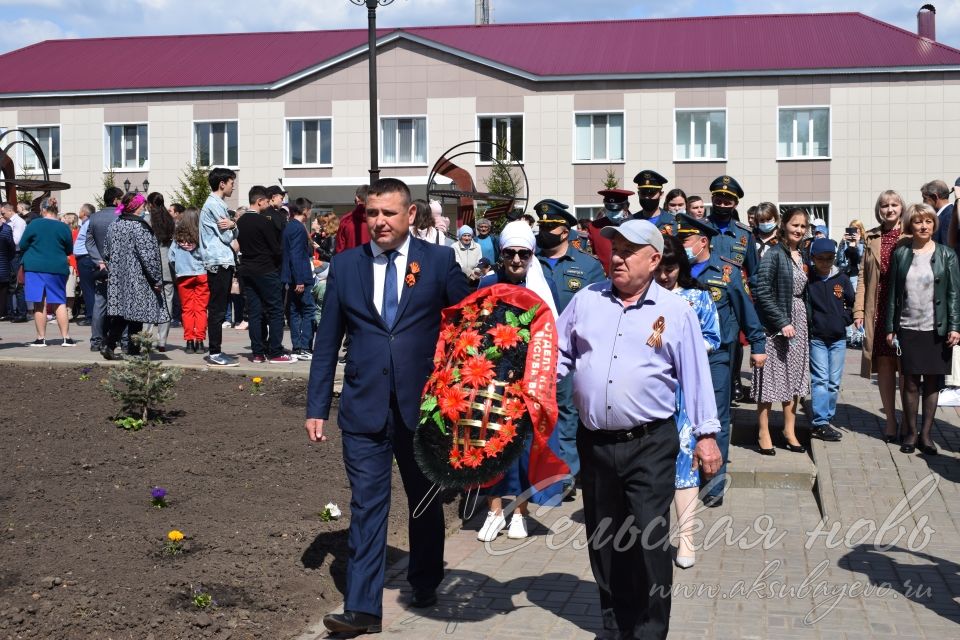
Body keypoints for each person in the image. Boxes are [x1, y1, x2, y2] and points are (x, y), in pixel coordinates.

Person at [306, 178, 470, 635]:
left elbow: (469, 323)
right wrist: (317, 404)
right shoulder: (345, 265)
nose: (379, 221)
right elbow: (326, 342)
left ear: (410, 215)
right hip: (363, 409)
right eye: (372, 213)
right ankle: (362, 608)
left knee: (424, 501)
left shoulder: (438, 261)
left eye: (389, 213)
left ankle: (424, 579)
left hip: (423, 410)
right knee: (367, 506)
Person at [557, 218, 721, 640]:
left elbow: (696, 376)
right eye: (614, 248)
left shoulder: (675, 309)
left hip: (649, 443)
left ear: (653, 260)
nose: (617, 257)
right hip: (595, 444)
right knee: (605, 541)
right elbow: (559, 353)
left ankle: (649, 631)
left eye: (629, 251)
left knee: (649, 541)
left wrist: (705, 435)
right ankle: (615, 626)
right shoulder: (587, 300)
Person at [475, 220, 560, 541]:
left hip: (528, 383)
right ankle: (495, 511)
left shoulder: (541, 288)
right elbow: (472, 329)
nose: (515, 260)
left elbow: (553, 336)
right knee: (490, 448)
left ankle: (520, 513)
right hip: (491, 382)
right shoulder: (486, 287)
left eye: (523, 254)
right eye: (509, 253)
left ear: (531, 256)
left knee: (524, 449)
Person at [677, 213, 766, 505]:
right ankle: (682, 476)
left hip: (717, 357)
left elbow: (745, 310)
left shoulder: (727, 271)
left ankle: (712, 486)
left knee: (715, 418)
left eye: (685, 240)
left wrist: (757, 344)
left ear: (703, 242)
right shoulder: (674, 272)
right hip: (679, 357)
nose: (681, 245)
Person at [654, 235, 721, 569]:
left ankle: (687, 539)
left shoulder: (698, 297)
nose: (665, 276)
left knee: (686, 462)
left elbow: (713, 337)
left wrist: (686, 351)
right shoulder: (641, 299)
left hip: (685, 393)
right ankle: (652, 537)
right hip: (650, 392)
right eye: (660, 268)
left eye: (671, 268)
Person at [531, 198, 605, 497]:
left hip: (569, 352)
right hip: (532, 349)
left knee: (566, 412)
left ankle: (566, 474)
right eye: (542, 226)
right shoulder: (529, 259)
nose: (545, 231)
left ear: (566, 232)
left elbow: (599, 309)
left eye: (552, 227)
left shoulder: (587, 265)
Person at [885, 203, 960, 455]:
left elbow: (953, 294)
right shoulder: (901, 254)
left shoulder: (947, 254)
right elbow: (893, 294)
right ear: (911, 225)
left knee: (932, 383)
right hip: (908, 327)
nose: (924, 226)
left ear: (934, 224)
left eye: (928, 221)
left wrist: (955, 326)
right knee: (909, 383)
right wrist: (890, 328)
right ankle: (910, 433)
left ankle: (926, 436)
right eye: (918, 222)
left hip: (936, 329)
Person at [753, 207, 811, 454]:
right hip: (777, 325)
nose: (799, 229)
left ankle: (790, 430)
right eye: (794, 224)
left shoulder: (803, 255)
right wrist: (781, 321)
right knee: (769, 378)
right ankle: (763, 432)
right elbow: (761, 290)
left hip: (799, 320)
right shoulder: (774, 254)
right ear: (784, 225)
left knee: (794, 378)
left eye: (803, 226)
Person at [854, 190, 910, 441]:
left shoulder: (911, 235)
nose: (889, 209)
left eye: (894, 205)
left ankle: (910, 422)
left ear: (902, 208)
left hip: (906, 310)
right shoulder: (872, 237)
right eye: (885, 205)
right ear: (879, 209)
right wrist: (858, 310)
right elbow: (863, 278)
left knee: (907, 368)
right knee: (886, 366)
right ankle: (890, 420)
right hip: (878, 309)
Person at [100, 192, 169, 359]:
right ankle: (133, 351)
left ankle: (109, 345)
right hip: (137, 278)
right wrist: (156, 279)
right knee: (136, 315)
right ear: (137, 207)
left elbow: (106, 252)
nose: (144, 207)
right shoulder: (140, 227)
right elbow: (148, 257)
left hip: (118, 278)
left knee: (123, 314)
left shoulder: (115, 225)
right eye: (142, 205)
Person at [236, 185, 294, 364]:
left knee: (254, 312)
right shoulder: (264, 222)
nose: (268, 204)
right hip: (266, 269)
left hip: (247, 269)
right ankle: (275, 351)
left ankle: (257, 353)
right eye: (267, 201)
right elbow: (275, 248)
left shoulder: (241, 221)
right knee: (275, 310)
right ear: (260, 201)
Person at [807, 238, 853, 442]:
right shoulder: (809, 280)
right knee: (820, 380)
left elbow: (852, 303)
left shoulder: (841, 279)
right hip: (817, 338)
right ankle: (820, 422)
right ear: (813, 259)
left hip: (838, 339)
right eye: (821, 258)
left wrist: (845, 319)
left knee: (833, 383)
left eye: (829, 258)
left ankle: (827, 415)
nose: (825, 262)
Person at [199, 168, 240, 367]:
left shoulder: (218, 204)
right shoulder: (214, 205)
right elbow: (227, 236)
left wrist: (233, 225)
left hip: (222, 261)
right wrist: (233, 226)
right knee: (217, 309)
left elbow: (232, 231)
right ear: (222, 183)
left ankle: (217, 349)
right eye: (232, 182)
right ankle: (214, 352)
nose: (234, 186)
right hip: (218, 261)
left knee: (220, 307)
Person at [18, 201, 75, 347]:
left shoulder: (35, 224)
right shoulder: (64, 227)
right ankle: (66, 338)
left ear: (43, 210)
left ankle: (41, 338)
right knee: (59, 301)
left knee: (39, 302)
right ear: (56, 210)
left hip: (35, 266)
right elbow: (69, 249)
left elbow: (23, 244)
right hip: (57, 266)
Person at [85, 186, 124, 350]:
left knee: (100, 305)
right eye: (121, 198)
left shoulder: (94, 218)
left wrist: (99, 261)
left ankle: (96, 341)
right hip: (121, 267)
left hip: (102, 268)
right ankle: (123, 341)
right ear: (116, 200)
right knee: (122, 306)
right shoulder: (122, 217)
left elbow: (89, 242)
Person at [168, 208, 208, 354]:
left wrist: (179, 268)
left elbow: (171, 257)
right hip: (201, 274)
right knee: (200, 309)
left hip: (183, 275)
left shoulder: (177, 238)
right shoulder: (201, 235)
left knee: (187, 309)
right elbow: (206, 255)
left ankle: (189, 342)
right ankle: (200, 341)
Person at [706, 175, 758, 279]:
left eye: (727, 203)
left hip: (735, 292)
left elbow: (754, 272)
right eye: (718, 201)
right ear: (712, 200)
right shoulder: (700, 228)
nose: (722, 206)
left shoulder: (745, 233)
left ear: (735, 204)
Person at [283, 203, 316, 360]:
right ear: (304, 210)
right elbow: (296, 255)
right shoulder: (298, 228)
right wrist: (300, 280)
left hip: (294, 277)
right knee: (308, 310)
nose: (310, 212)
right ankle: (304, 347)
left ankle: (297, 347)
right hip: (301, 276)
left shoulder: (290, 226)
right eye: (309, 210)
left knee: (295, 311)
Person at [145, 192, 176, 352]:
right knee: (167, 304)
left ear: (150, 204)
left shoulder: (147, 220)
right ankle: (162, 341)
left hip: (151, 268)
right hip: (168, 267)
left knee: (150, 304)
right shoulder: (170, 220)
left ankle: (147, 339)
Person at [587, 188, 634, 275]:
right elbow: (590, 255)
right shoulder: (594, 227)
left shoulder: (637, 225)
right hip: (603, 279)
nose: (612, 213)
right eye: (609, 209)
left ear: (626, 206)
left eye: (616, 210)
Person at [836, 218, 866, 347]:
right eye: (852, 229)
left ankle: (860, 333)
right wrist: (843, 243)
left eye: (857, 229)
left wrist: (858, 242)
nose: (854, 232)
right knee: (845, 303)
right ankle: (848, 333)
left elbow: (862, 260)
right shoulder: (845, 243)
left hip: (857, 276)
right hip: (846, 275)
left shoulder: (864, 243)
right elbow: (840, 261)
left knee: (857, 303)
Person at [73, 203, 97, 326]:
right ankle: (91, 315)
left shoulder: (88, 224)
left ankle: (91, 316)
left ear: (85, 213)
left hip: (86, 258)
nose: (79, 212)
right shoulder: (86, 224)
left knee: (88, 289)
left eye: (80, 210)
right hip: (86, 258)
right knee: (89, 289)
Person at [632, 169, 677, 234]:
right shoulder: (630, 222)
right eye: (643, 193)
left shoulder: (672, 222)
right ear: (638, 194)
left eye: (651, 193)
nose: (647, 197)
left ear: (661, 194)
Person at [334, 184, 370, 253]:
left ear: (356, 199)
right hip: (376, 261)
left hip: (351, 261)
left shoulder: (346, 220)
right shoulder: (378, 219)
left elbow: (340, 248)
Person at [0, 206, 17, 320]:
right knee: (2, 295)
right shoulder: (6, 229)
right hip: (3, 268)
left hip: (3, 267)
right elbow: (12, 248)